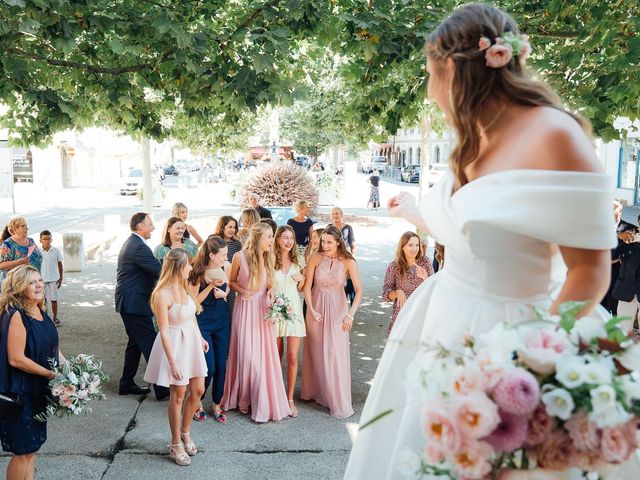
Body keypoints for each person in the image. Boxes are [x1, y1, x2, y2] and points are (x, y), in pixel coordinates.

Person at [344, 4, 628, 478]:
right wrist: (417, 215)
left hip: (513, 335)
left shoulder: (556, 134)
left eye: (429, 73)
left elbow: (591, 269)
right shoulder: (472, 135)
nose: (431, 92)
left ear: (453, 67)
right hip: (438, 323)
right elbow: (481, 236)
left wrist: (531, 364)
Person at [143, 249, 208, 466]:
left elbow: (192, 316)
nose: (191, 268)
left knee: (198, 389)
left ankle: (185, 431)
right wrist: (172, 362)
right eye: (188, 264)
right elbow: (163, 330)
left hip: (191, 341)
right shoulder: (162, 294)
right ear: (179, 267)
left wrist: (200, 338)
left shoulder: (184, 286)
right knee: (178, 394)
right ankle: (174, 443)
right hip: (174, 344)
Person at [222, 222, 291, 422]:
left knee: (262, 358)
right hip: (245, 310)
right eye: (269, 237)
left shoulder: (270, 258)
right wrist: (241, 290)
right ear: (259, 238)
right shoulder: (239, 257)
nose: (272, 240)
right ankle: (243, 397)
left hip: (263, 311)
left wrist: (271, 291)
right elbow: (231, 282)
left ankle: (257, 400)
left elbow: (270, 284)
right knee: (247, 356)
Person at [0, 265, 59, 480]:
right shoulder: (15, 315)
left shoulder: (39, 310)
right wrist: (50, 374)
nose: (38, 285)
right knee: (23, 451)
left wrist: (73, 369)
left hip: (37, 391)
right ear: (19, 287)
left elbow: (52, 347)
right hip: (20, 393)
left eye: (40, 280)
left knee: (31, 449)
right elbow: (16, 358)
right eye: (31, 282)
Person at [301, 226, 362, 419]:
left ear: (338, 242)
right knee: (316, 351)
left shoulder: (348, 261)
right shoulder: (315, 258)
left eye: (329, 242)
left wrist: (350, 315)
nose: (325, 245)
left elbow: (359, 291)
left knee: (334, 352)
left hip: (338, 309)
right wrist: (311, 310)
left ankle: (336, 398)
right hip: (316, 306)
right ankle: (318, 393)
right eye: (323, 242)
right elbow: (307, 288)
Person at [115, 212, 168, 400]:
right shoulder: (138, 247)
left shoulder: (135, 243)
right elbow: (159, 270)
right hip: (134, 304)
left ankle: (126, 383)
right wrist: (179, 267)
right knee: (153, 345)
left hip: (130, 303)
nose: (153, 227)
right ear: (140, 227)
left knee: (135, 344)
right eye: (150, 224)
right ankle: (163, 389)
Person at [188, 236, 230, 423]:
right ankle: (197, 401)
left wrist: (225, 293)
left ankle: (217, 404)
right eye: (222, 255)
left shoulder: (224, 267)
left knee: (222, 366)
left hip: (222, 320)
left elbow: (228, 289)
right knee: (209, 367)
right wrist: (211, 286)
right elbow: (193, 302)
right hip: (203, 322)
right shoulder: (197, 272)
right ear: (212, 255)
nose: (225, 258)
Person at [273, 226, 306, 417]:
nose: (288, 241)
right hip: (275, 311)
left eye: (291, 238)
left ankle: (289, 398)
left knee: (293, 356)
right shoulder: (270, 259)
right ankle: (276, 395)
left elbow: (302, 289)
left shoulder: (299, 260)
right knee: (277, 357)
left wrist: (301, 278)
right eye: (285, 237)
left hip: (293, 311)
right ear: (278, 239)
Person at [382, 231, 434, 333]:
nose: (415, 248)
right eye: (410, 245)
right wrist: (397, 292)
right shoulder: (394, 267)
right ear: (402, 247)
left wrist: (426, 278)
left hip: (422, 313)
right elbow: (385, 295)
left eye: (417, 245)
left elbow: (435, 290)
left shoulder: (425, 262)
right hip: (402, 315)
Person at [214, 215, 242, 322]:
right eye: (229, 227)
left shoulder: (236, 244)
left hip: (230, 281)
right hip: (215, 279)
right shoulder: (214, 240)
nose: (232, 230)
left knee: (230, 311)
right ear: (222, 227)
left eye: (234, 227)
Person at [0, 217, 42, 284]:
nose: (27, 228)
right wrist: (19, 262)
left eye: (26, 226)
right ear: (15, 229)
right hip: (16, 285)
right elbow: (1, 265)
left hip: (33, 282)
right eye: (23, 226)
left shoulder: (31, 241)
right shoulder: (7, 245)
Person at [328, 207, 356, 305]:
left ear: (341, 215)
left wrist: (353, 260)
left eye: (337, 213)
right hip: (332, 259)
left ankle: (351, 307)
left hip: (345, 258)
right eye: (333, 214)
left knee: (350, 282)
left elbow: (352, 245)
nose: (335, 215)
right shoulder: (329, 227)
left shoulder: (348, 228)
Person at [38, 230, 64, 327]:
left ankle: (55, 318)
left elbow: (60, 264)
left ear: (51, 239)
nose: (47, 241)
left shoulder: (56, 251)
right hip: (42, 279)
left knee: (54, 299)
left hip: (54, 278)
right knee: (42, 300)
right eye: (44, 239)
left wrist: (60, 278)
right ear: (40, 240)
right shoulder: (38, 251)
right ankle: (44, 318)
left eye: (48, 239)